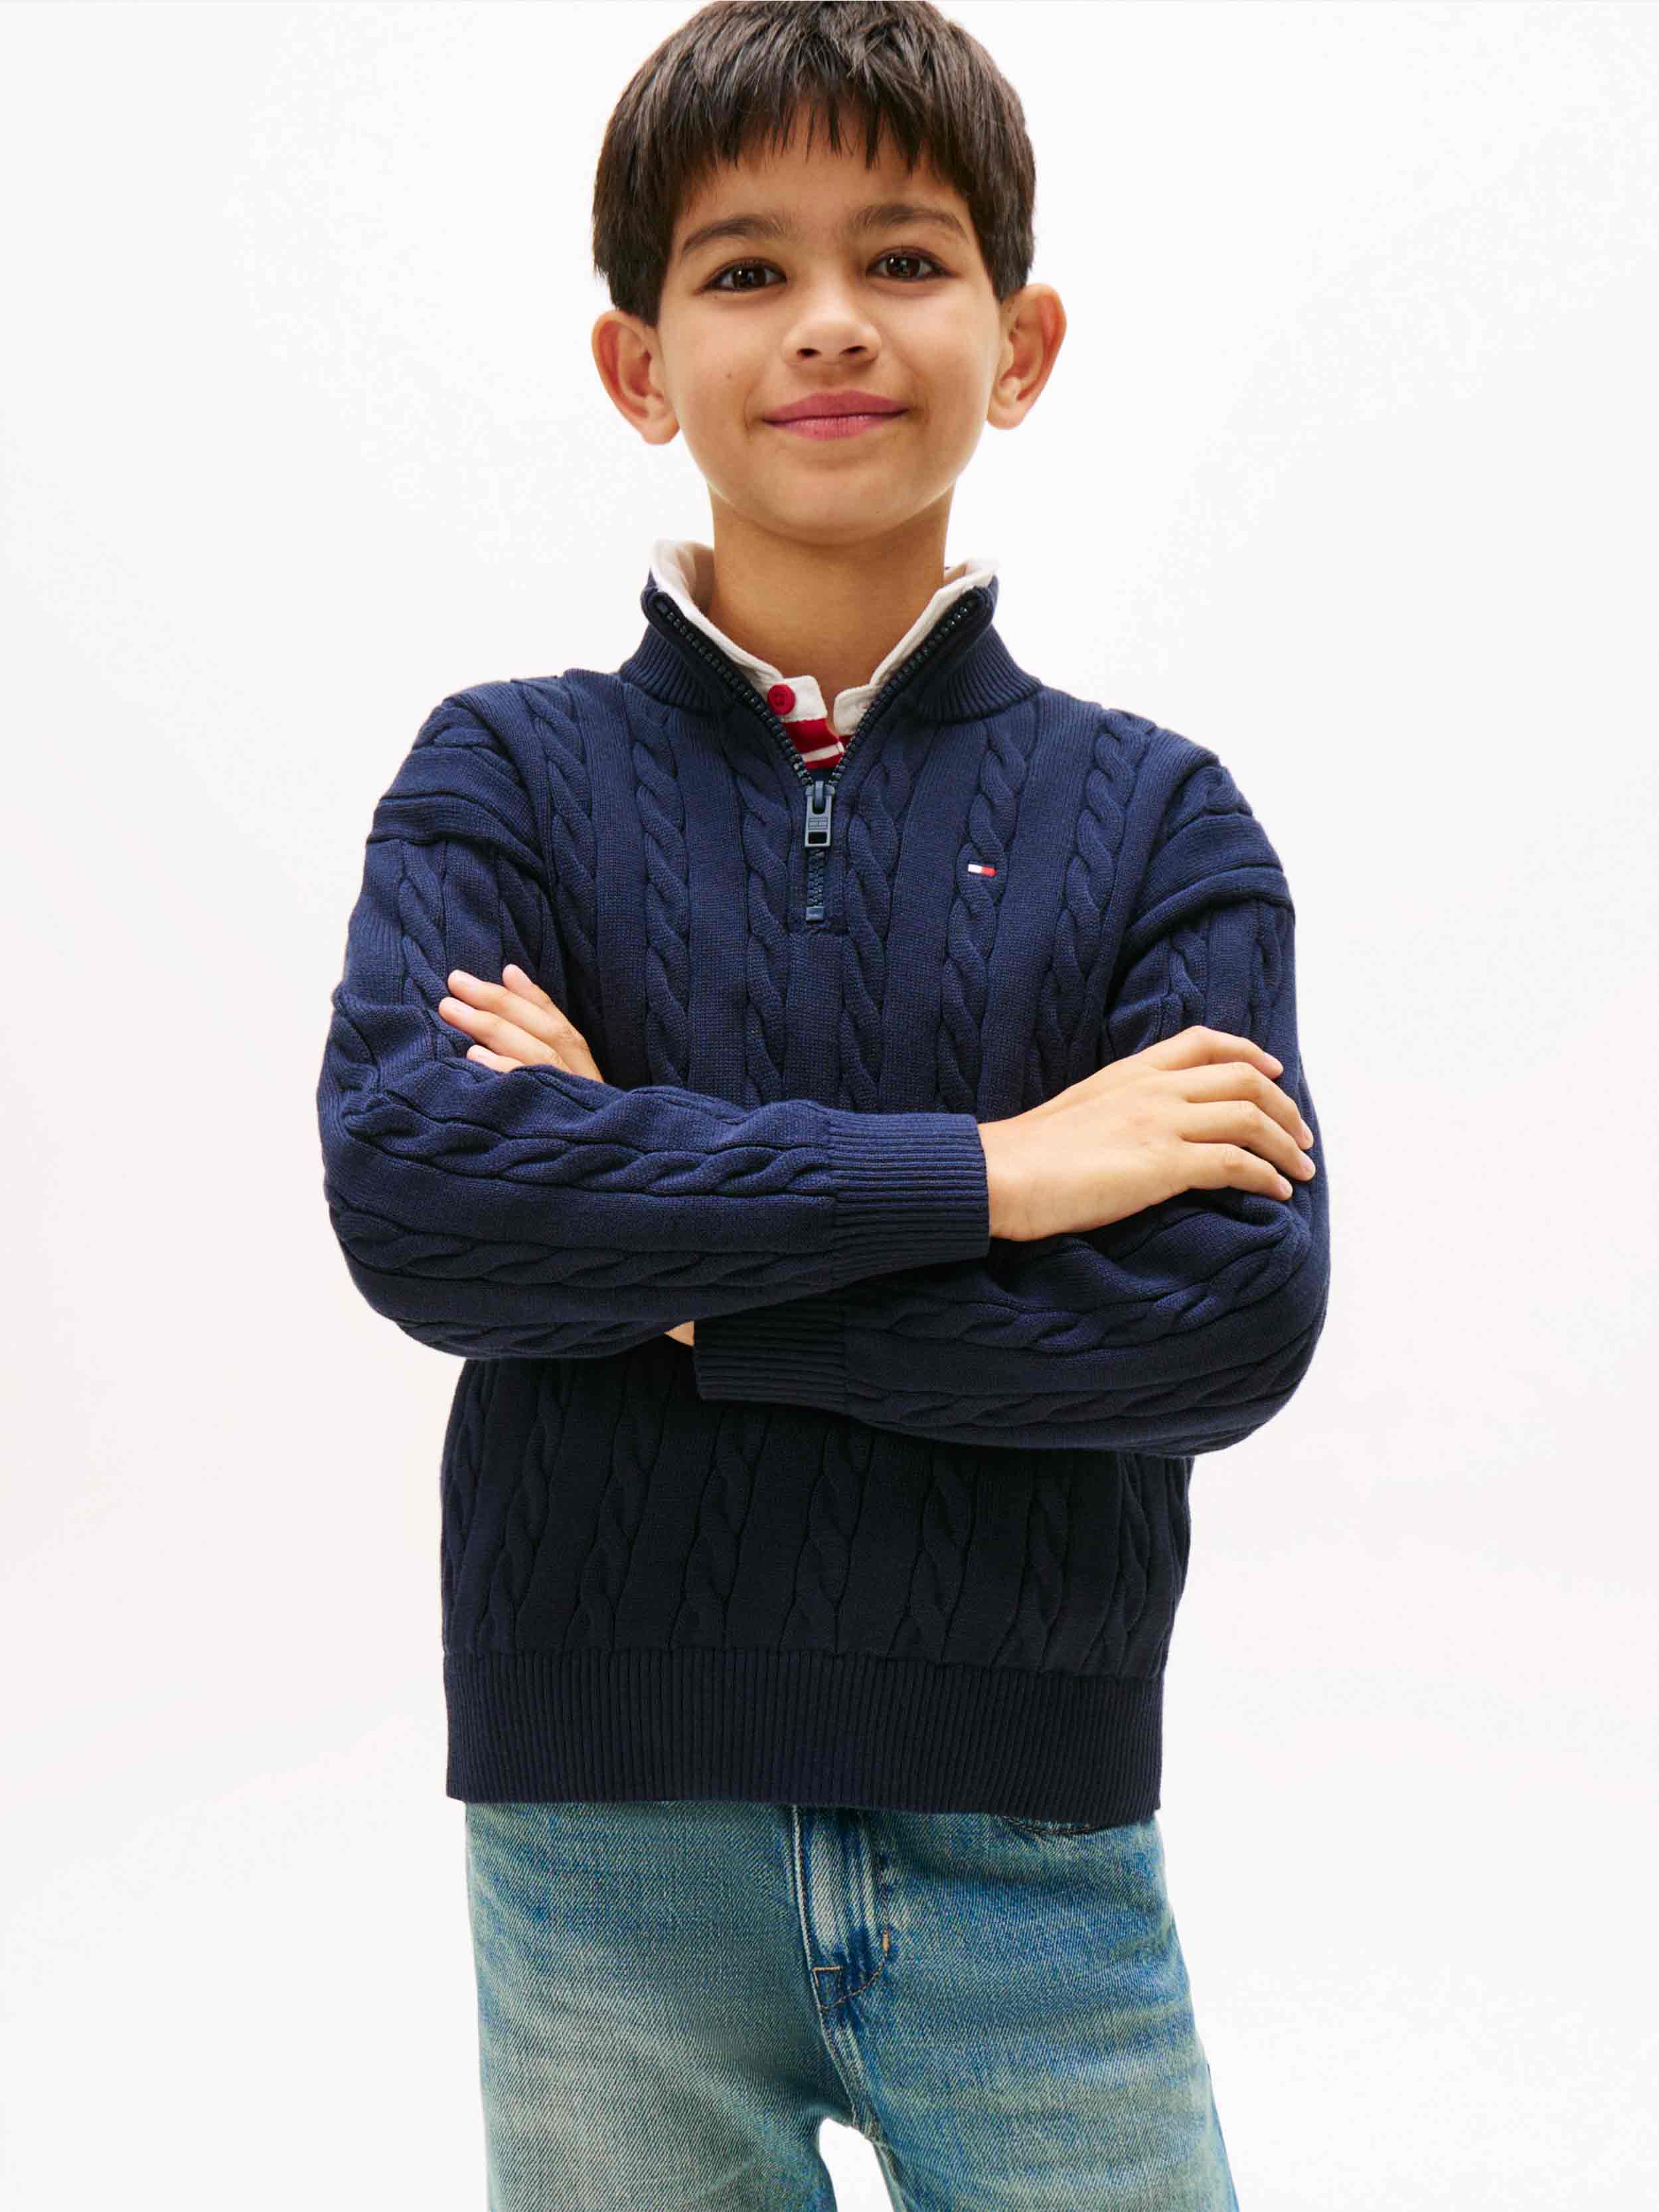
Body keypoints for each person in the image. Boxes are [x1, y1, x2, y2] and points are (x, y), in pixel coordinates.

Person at [315, 3, 1331, 2204]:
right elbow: (425, 1200)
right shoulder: (503, 776)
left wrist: (672, 1281)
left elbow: (1221, 1321)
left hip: (1030, 1832)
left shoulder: (1161, 821)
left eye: (904, 257)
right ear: (638, 364)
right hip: (602, 1837)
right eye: (746, 267)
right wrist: (1003, 1174)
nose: (831, 324)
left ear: (1019, 341)